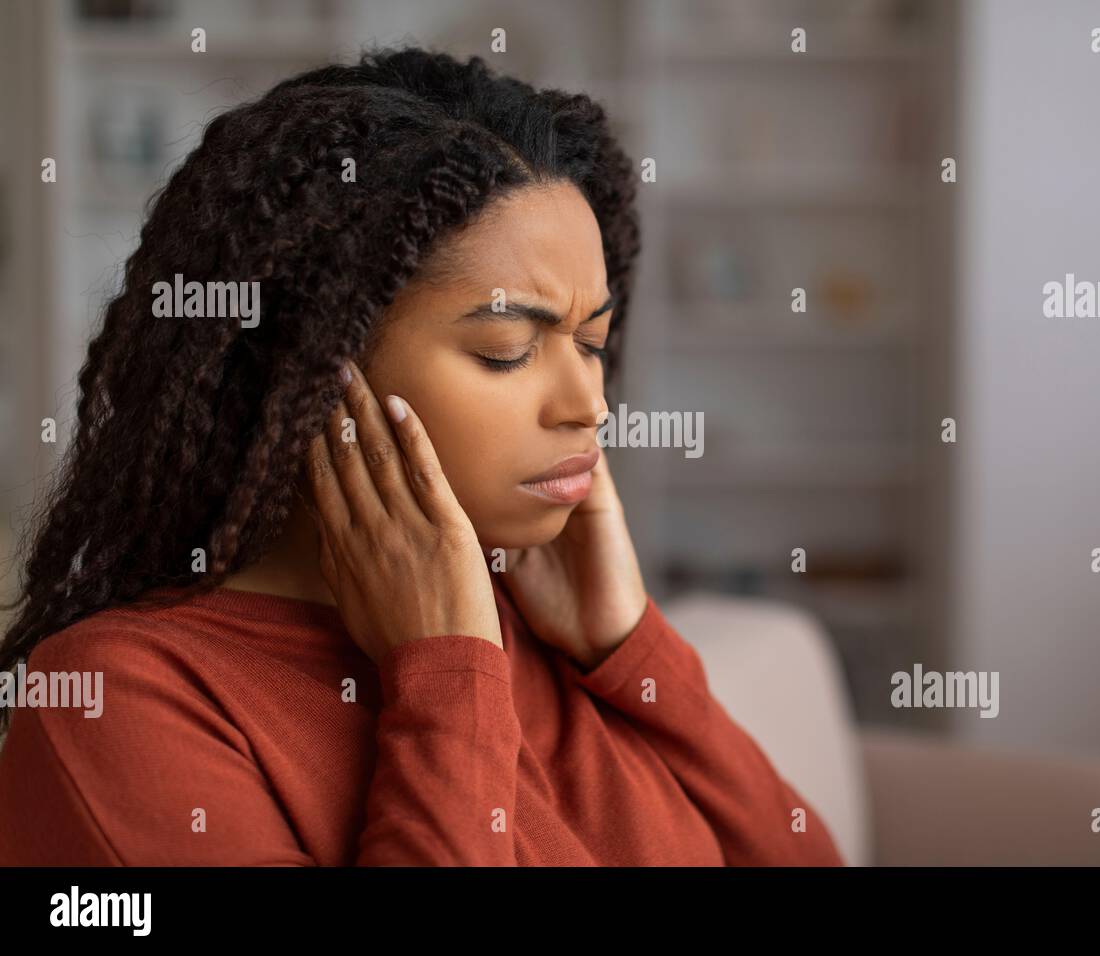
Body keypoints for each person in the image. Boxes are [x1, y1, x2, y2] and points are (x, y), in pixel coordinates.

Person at [0, 48, 845, 866]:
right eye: (509, 350)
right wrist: (445, 681)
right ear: (313, 372)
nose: (589, 405)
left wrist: (630, 647)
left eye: (592, 343)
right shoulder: (122, 697)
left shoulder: (552, 626)